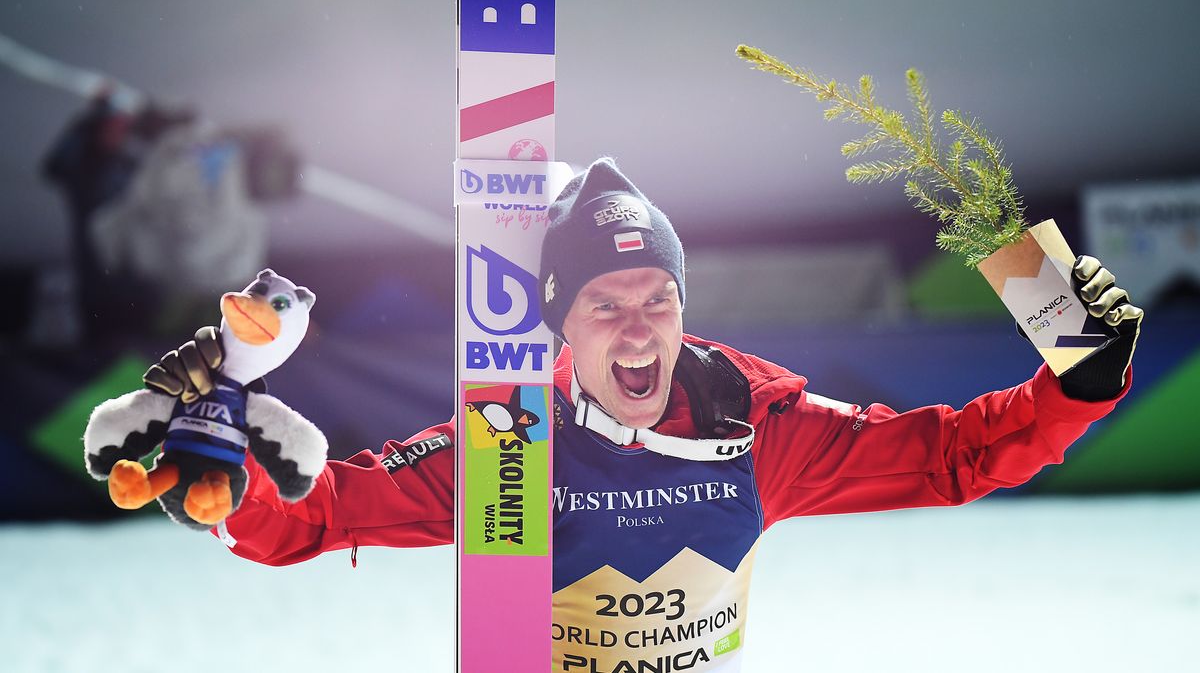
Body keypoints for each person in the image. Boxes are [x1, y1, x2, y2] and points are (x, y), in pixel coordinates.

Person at [144, 157, 1142, 672]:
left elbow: (955, 459)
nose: (638, 330)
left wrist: (1079, 384)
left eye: (657, 300)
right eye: (604, 306)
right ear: (557, 329)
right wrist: (223, 496)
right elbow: (317, 521)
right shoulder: (511, 448)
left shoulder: (763, 430)